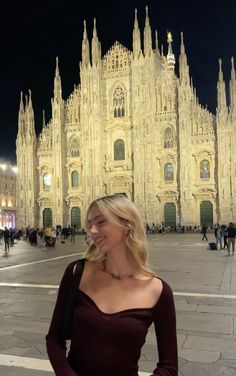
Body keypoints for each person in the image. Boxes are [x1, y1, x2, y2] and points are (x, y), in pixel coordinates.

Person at [46, 194, 178, 376]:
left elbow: (169, 366)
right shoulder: (77, 272)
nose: (92, 230)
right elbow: (54, 338)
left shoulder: (158, 291)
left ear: (127, 224)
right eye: (90, 224)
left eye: (101, 222)